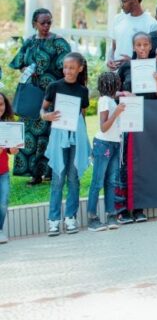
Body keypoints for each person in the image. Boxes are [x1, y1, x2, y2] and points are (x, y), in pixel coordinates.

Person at [9, 8, 71, 185]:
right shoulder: (29, 42)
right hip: (31, 95)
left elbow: (69, 66)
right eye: (42, 22)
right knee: (29, 134)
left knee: (47, 134)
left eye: (49, 22)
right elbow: (19, 63)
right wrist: (28, 70)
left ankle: (49, 172)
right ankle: (33, 173)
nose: (46, 25)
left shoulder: (58, 42)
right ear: (34, 23)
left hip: (51, 95)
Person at [40, 52, 91, 236]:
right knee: (58, 178)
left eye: (71, 67)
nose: (67, 70)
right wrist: (47, 116)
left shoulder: (83, 91)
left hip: (76, 138)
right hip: (59, 136)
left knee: (73, 178)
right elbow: (43, 109)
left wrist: (84, 139)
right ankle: (53, 220)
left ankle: (71, 217)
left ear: (80, 68)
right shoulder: (54, 86)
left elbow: (82, 115)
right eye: (65, 67)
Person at [115, 32, 157, 224]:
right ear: (134, 47)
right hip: (128, 119)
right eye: (138, 45)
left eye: (145, 45)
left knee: (142, 163)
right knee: (125, 162)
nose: (142, 48)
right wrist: (124, 93)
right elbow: (113, 91)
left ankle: (139, 208)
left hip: (147, 119)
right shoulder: (126, 67)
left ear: (150, 46)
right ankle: (122, 209)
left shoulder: (156, 66)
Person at [86, 72, 125, 232]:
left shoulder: (110, 100)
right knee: (98, 182)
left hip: (114, 143)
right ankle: (92, 218)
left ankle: (111, 215)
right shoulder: (104, 101)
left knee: (111, 182)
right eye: (117, 83)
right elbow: (103, 127)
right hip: (104, 144)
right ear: (111, 85)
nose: (119, 85)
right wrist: (116, 113)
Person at [108, 0, 157, 71]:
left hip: (137, 73)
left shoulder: (152, 24)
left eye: (124, 1)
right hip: (116, 73)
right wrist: (110, 59)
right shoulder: (118, 19)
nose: (121, 5)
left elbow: (152, 55)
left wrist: (132, 62)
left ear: (135, 1)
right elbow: (113, 46)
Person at [0, 92, 22, 244]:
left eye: (1, 104)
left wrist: (12, 149)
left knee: (3, 201)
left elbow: (8, 148)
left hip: (3, 171)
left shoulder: (5, 124)